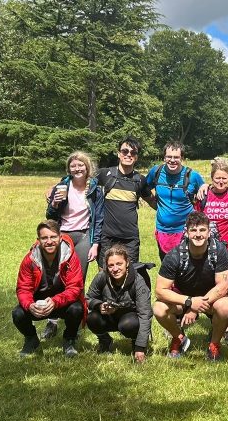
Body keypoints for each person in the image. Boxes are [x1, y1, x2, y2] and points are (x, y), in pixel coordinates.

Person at [153, 211, 228, 362]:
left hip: (211, 301)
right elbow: (160, 291)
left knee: (225, 305)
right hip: (183, 300)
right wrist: (189, 302)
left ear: (209, 232)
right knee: (158, 308)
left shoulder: (219, 251)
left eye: (202, 230)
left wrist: (195, 306)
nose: (198, 234)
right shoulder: (175, 255)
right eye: (194, 230)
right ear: (187, 232)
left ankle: (214, 345)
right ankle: (179, 339)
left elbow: (223, 287)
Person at [43, 151, 103, 341]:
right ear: (69, 168)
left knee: (77, 281)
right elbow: (50, 216)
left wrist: (95, 244)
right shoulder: (62, 186)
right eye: (73, 166)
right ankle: (52, 320)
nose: (77, 169)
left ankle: (74, 321)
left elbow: (99, 219)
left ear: (87, 168)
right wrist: (54, 202)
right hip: (63, 235)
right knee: (56, 278)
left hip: (85, 236)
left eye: (81, 165)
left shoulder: (94, 189)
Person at [13, 220, 86, 358]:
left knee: (77, 308)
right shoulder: (30, 259)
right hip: (38, 303)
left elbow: (75, 287)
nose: (49, 241)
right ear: (38, 240)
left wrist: (55, 301)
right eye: (44, 238)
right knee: (17, 313)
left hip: (61, 302)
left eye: (53, 237)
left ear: (60, 237)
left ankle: (69, 340)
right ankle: (31, 339)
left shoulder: (70, 257)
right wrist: (30, 305)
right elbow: (23, 289)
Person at [195, 156, 228, 346]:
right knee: (209, 284)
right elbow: (197, 218)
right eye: (217, 178)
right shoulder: (204, 195)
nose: (221, 181)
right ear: (212, 178)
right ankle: (215, 322)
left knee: (225, 287)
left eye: (224, 178)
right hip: (207, 248)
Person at [93, 136, 155, 268]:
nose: (128, 155)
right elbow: (79, 178)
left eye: (133, 153)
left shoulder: (140, 180)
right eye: (125, 151)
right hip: (107, 237)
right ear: (119, 154)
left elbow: (152, 202)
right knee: (104, 274)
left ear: (136, 157)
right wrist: (55, 188)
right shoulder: (105, 174)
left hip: (130, 239)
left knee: (129, 275)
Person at [85, 244, 152, 363]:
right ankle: (105, 340)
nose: (115, 269)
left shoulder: (138, 281)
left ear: (127, 263)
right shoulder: (101, 277)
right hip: (109, 317)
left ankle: (135, 342)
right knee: (92, 318)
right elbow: (88, 298)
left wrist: (140, 347)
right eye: (111, 265)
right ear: (106, 266)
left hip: (129, 318)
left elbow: (145, 314)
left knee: (128, 324)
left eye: (119, 264)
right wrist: (99, 305)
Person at [145, 141, 205, 260]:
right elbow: (143, 189)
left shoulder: (192, 176)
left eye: (176, 157)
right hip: (162, 231)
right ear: (164, 157)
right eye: (169, 157)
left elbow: (205, 194)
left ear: (182, 158)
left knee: (186, 269)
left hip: (186, 231)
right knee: (167, 268)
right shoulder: (156, 172)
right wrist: (153, 203)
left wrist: (206, 185)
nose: (172, 160)